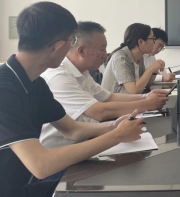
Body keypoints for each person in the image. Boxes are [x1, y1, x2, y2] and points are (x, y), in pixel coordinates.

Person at [0, 2, 145, 197]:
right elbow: (41, 165)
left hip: (13, 193)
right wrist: (116, 137)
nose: (73, 47)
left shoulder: (35, 83)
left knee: (95, 195)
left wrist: (114, 126)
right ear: (58, 46)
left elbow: (72, 130)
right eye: (72, 40)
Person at [40, 21, 170, 150]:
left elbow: (109, 97)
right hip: (61, 151)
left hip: (85, 140)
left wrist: (145, 97)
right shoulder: (59, 76)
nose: (105, 55)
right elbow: (99, 112)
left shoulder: (83, 72)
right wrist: (146, 104)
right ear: (82, 50)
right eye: (102, 49)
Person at [102, 23, 165, 94]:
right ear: (141, 42)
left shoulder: (139, 57)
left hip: (130, 99)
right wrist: (151, 68)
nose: (154, 42)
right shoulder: (120, 57)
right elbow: (134, 90)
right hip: (115, 101)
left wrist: (154, 70)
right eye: (153, 39)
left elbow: (146, 84)